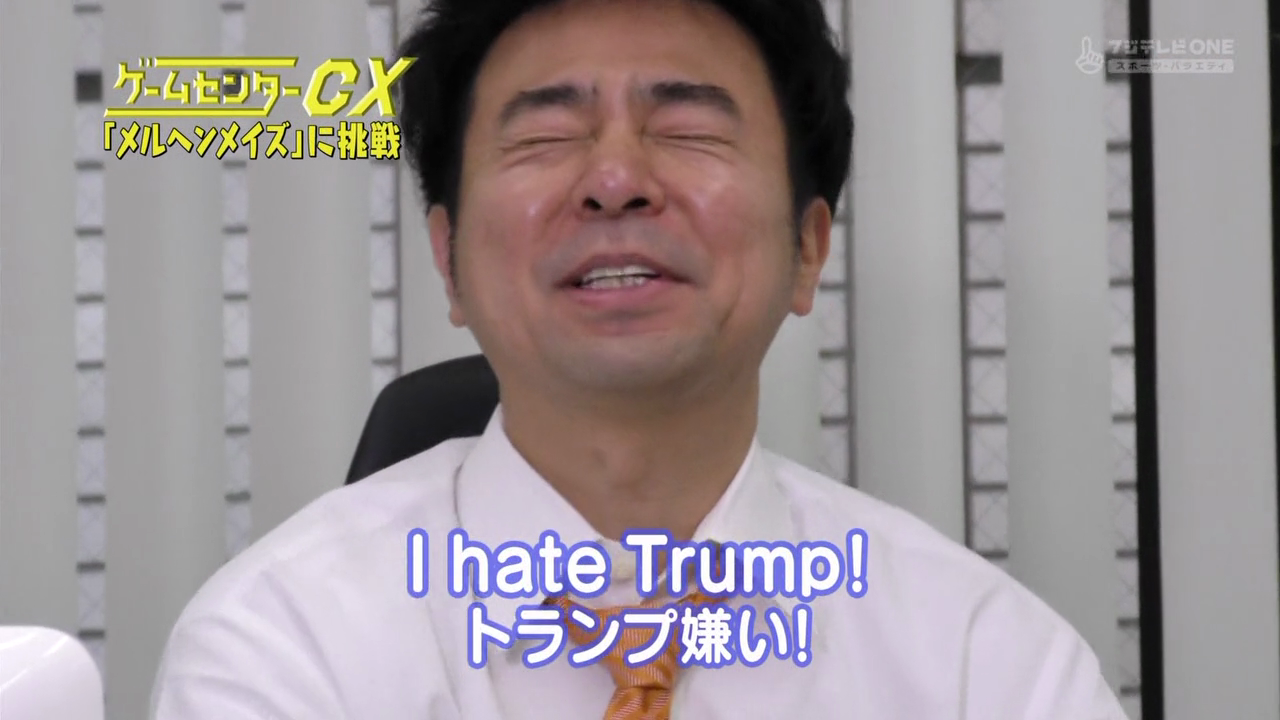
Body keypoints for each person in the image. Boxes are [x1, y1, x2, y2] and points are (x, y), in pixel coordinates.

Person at [151, 0, 1131, 718]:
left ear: (806, 247)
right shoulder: (282, 644)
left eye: (687, 128)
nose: (615, 180)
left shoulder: (985, 666)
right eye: (546, 133)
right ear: (448, 263)